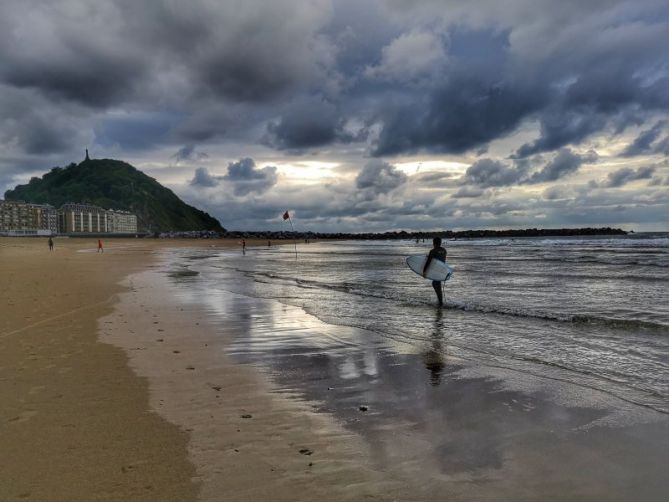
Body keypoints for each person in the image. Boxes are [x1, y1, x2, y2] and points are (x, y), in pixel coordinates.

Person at [423, 237, 447, 306]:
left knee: (435, 283)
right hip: (442, 270)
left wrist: (424, 272)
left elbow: (428, 262)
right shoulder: (444, 250)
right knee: (437, 284)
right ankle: (440, 301)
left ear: (434, 243)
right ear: (440, 242)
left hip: (436, 270)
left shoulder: (433, 251)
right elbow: (440, 259)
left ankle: (440, 302)